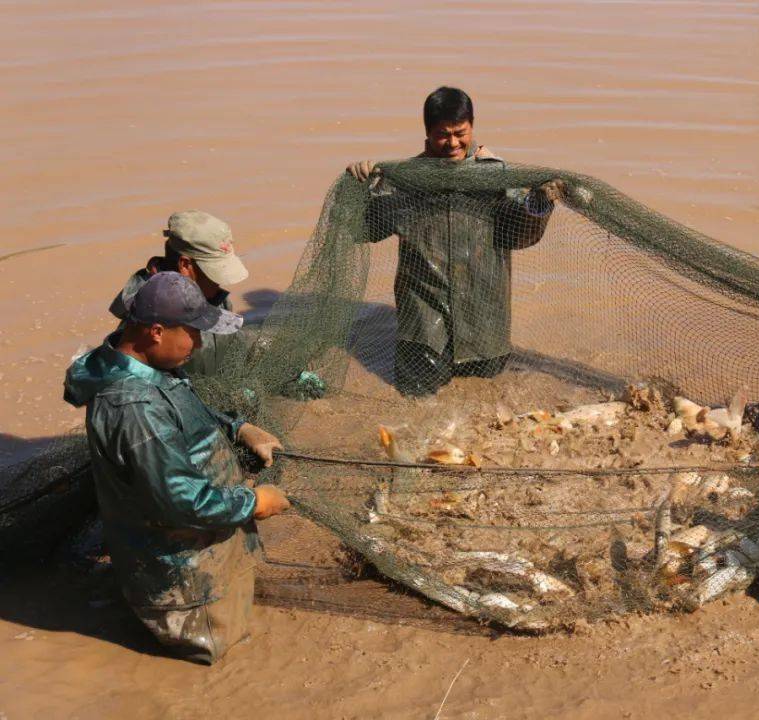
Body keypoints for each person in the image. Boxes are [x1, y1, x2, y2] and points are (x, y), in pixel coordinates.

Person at [64, 272, 291, 664]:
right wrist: (253, 503)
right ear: (155, 331)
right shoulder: (135, 409)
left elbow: (185, 413)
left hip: (199, 551)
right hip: (187, 585)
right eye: (194, 333)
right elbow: (178, 500)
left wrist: (240, 428)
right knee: (221, 659)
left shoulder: (147, 366)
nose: (200, 344)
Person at [346, 86, 564, 396]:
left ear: (472, 127)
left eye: (460, 133)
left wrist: (540, 204)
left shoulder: (495, 175)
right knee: (415, 403)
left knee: (490, 401)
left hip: (485, 325)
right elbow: (363, 230)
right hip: (423, 328)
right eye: (442, 135)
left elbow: (521, 235)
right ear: (427, 135)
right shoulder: (404, 180)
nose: (452, 143)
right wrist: (360, 188)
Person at [109, 210, 250, 376]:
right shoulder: (147, 315)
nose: (219, 283)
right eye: (214, 274)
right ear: (185, 265)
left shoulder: (216, 298)